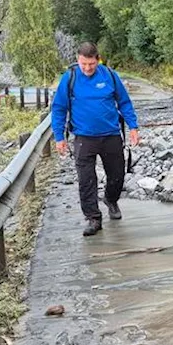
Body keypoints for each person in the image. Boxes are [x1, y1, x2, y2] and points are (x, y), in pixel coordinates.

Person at [50, 42, 140, 236]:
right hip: (83, 137)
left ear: (97, 60)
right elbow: (58, 108)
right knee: (86, 180)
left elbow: (124, 102)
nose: (88, 68)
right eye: (84, 64)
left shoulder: (109, 75)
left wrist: (133, 127)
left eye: (91, 64)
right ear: (77, 60)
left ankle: (111, 199)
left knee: (117, 175)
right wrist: (59, 137)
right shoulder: (70, 78)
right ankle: (93, 218)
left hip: (111, 134)